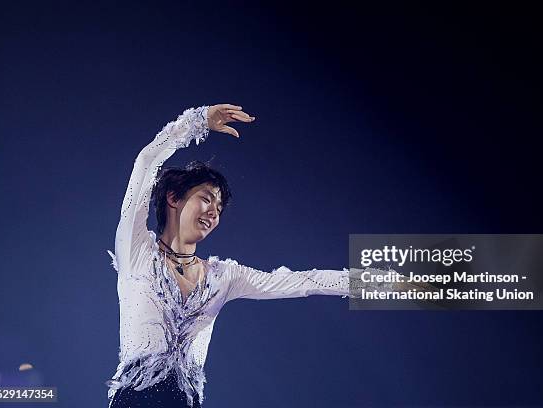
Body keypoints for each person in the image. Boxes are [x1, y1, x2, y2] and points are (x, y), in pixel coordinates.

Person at [105, 104, 365, 407]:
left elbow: (305, 282)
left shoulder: (222, 277)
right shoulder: (136, 250)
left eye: (219, 207)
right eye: (206, 199)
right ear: (173, 198)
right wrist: (198, 121)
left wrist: (383, 284)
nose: (214, 212)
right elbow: (146, 161)